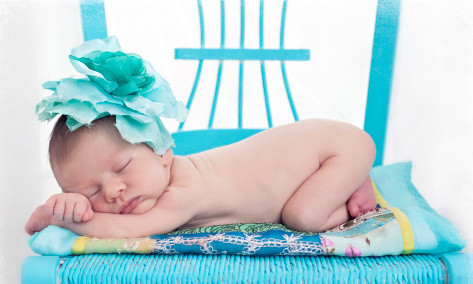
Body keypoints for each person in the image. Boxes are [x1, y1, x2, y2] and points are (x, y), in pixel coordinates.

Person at [25, 36, 377, 238]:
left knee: (304, 218)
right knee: (300, 210)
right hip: (320, 146)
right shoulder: (157, 180)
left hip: (335, 148)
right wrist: (78, 205)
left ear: (162, 150)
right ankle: (346, 178)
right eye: (91, 192)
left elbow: (131, 231)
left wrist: (58, 217)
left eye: (121, 168)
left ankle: (351, 185)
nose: (114, 192)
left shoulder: (183, 193)